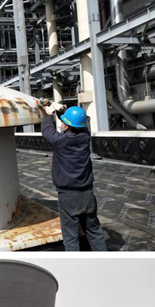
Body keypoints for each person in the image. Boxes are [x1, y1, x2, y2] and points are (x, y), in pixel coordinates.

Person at [41, 104, 107, 251]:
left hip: (68, 196)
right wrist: (62, 112)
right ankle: (105, 260)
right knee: (94, 232)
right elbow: (78, 124)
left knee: (71, 237)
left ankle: (75, 264)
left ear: (66, 125)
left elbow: (47, 131)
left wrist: (49, 115)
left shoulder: (60, 141)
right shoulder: (85, 137)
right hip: (88, 193)